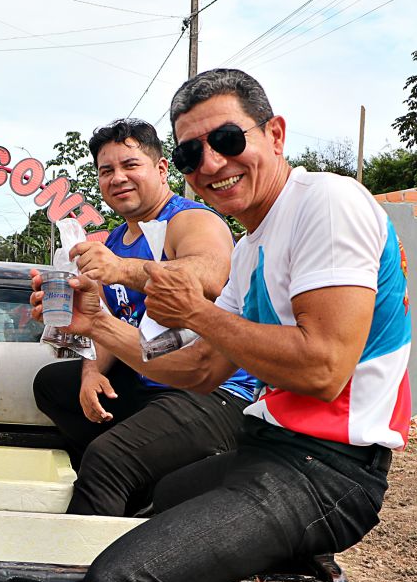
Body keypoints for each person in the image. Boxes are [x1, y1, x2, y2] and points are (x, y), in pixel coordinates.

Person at [34, 68, 411, 582]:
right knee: (152, 508)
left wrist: (196, 309)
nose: (211, 163)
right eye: (191, 153)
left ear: (275, 133)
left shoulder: (327, 203)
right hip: (267, 448)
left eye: (228, 140)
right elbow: (203, 368)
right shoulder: (253, 244)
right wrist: (100, 327)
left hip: (330, 472)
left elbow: (325, 367)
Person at [31, 118, 257, 517]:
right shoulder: (115, 240)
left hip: (214, 390)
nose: (118, 177)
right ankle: (139, 494)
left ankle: (89, 546)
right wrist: (91, 373)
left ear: (161, 168)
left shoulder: (189, 219)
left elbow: (212, 273)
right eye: (106, 170)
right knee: (51, 385)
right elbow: (108, 321)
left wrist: (122, 269)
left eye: (130, 165)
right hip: (153, 378)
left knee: (107, 459)